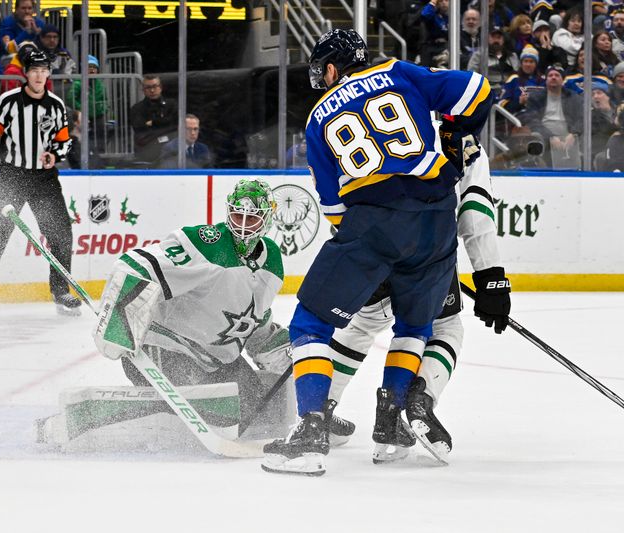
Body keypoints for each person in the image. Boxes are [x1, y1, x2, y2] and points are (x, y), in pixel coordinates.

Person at [260, 29, 493, 476]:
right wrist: (457, 135)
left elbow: (334, 208)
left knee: (310, 322)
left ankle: (310, 431)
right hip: (437, 217)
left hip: (373, 221)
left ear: (332, 67)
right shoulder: (400, 71)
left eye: (320, 71)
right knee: (416, 324)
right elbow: (478, 89)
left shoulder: (316, 118)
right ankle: (389, 429)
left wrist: (376, 255)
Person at [325, 144, 511, 463]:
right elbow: (475, 210)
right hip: (428, 248)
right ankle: (412, 404)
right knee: (444, 327)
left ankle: (318, 410)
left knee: (364, 323)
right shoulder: (464, 137)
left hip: (365, 241)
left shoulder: (375, 110)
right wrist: (490, 275)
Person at [92, 179, 290, 426]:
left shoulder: (271, 263)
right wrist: (117, 322)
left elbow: (254, 320)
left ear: (267, 218)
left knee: (256, 411)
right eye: (238, 216)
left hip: (214, 361)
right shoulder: (208, 244)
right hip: (164, 349)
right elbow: (135, 265)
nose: (242, 227)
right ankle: (94, 419)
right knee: (225, 414)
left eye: (251, 219)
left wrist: (292, 360)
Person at [0, 50, 79, 316]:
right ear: (25, 73)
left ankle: (61, 291)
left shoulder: (56, 105)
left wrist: (54, 155)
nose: (38, 75)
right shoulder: (9, 101)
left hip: (43, 179)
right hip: (13, 176)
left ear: (48, 73)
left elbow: (64, 140)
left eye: (43, 70)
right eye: (34, 69)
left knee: (60, 234)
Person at [521, 64, 582, 168]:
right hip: (544, 136)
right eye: (550, 75)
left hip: (569, 136)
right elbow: (532, 120)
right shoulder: (536, 97)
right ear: (546, 79)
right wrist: (550, 137)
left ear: (563, 80)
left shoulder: (573, 97)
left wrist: (574, 134)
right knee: (535, 137)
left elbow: (582, 117)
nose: (553, 77)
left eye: (557, 75)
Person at [129, 74, 178, 167]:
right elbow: (140, 129)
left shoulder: (172, 104)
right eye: (148, 87)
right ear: (143, 89)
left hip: (171, 152)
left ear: (161, 87)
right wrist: (164, 123)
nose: (152, 90)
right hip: (147, 152)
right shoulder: (137, 109)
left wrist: (154, 123)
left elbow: (175, 125)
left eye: (155, 86)